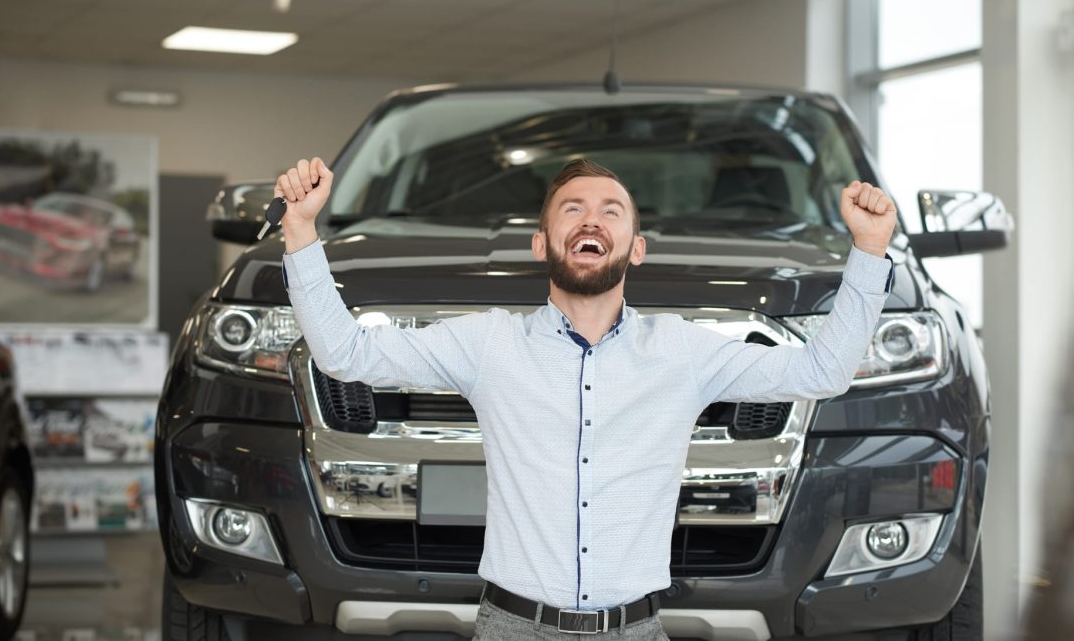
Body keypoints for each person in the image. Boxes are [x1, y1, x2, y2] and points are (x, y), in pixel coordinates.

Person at [277, 156, 897, 640]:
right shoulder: (490, 344)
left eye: (611, 211)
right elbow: (348, 355)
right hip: (510, 630)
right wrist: (301, 232)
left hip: (637, 629)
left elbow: (822, 369)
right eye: (571, 209)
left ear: (636, 246)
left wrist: (869, 251)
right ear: (543, 243)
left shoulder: (682, 351)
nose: (591, 220)